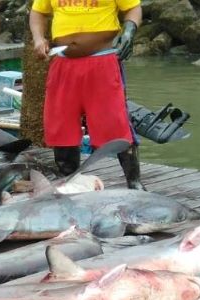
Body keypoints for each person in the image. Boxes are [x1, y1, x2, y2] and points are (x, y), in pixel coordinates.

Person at [29, 0, 144, 189]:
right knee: (61, 124)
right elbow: (38, 12)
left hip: (102, 61)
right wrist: (39, 38)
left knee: (116, 122)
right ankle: (70, 180)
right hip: (64, 62)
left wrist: (129, 32)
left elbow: (133, 8)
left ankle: (134, 181)